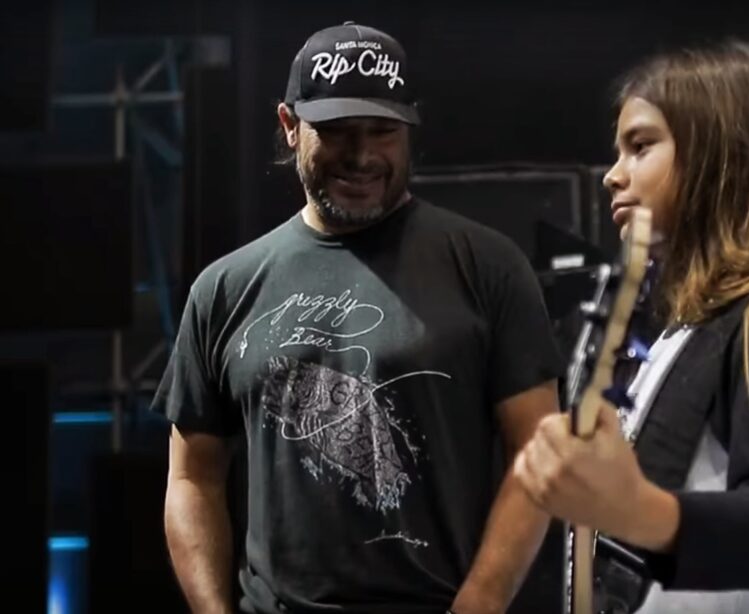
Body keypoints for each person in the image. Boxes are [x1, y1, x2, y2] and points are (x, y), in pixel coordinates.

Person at [154, 21, 564, 614]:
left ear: (410, 130)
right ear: (289, 126)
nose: (363, 155)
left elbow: (537, 452)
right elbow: (192, 478)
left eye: (383, 132)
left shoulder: (488, 266)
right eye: (338, 132)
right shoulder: (224, 289)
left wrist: (480, 603)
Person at [513, 41, 749, 613]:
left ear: (722, 154)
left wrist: (634, 507)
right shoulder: (697, 326)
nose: (613, 176)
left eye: (640, 147)